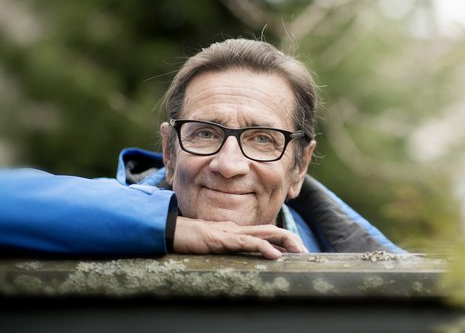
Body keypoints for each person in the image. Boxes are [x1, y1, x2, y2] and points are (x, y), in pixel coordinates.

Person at [0, 38, 402, 259]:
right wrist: (167, 227)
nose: (229, 165)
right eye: (205, 133)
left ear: (299, 167)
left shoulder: (354, 264)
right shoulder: (88, 225)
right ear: (169, 152)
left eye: (262, 138)